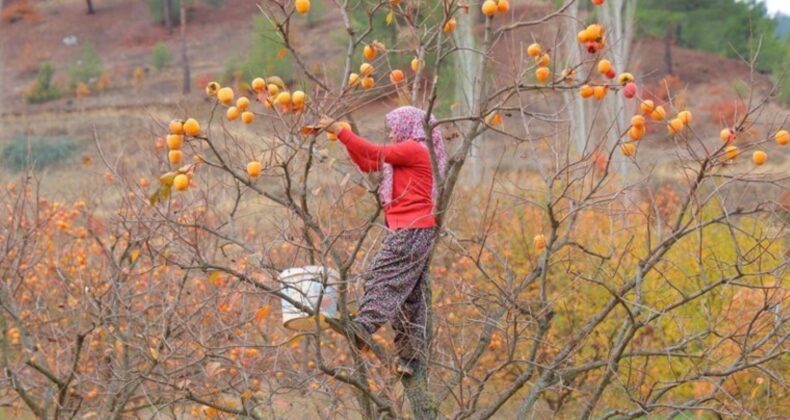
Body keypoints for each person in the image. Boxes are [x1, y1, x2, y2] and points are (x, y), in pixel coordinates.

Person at [319, 106, 447, 376]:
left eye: (392, 126)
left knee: (380, 274)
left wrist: (341, 132)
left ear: (407, 125)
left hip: (412, 228)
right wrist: (347, 138)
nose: (390, 132)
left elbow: (375, 152)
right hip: (413, 229)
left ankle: (365, 325)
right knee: (411, 297)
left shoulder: (415, 149)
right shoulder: (406, 154)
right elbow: (368, 163)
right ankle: (409, 359)